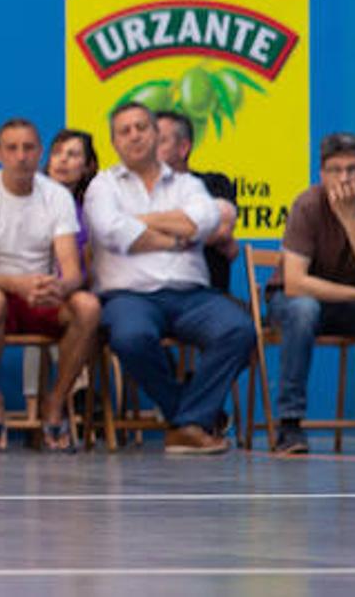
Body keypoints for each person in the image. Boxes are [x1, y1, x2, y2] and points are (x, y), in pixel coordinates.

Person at [86, 102, 252, 455]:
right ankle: (190, 419)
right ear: (114, 141)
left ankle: (185, 424)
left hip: (192, 295)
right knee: (130, 338)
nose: (134, 135)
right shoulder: (102, 186)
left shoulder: (188, 184)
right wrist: (177, 234)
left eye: (141, 127)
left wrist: (139, 219)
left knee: (239, 329)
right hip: (128, 297)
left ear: (154, 134)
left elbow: (202, 223)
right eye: (124, 130)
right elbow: (114, 232)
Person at [0, 119, 100, 452]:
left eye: (29, 148)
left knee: (88, 307)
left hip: (43, 294)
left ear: (40, 153)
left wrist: (59, 288)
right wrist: (18, 284)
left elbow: (73, 271)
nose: (21, 156)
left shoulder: (58, 197)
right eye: (12, 148)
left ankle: (56, 402)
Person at [264, 133, 355, 454]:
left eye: (352, 169)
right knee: (305, 309)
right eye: (335, 169)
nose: (344, 178)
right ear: (321, 173)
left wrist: (349, 219)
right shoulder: (307, 203)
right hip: (296, 302)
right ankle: (290, 426)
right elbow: (295, 282)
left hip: (354, 306)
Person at [156, 111, 240, 293]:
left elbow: (222, 227)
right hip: (150, 298)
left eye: (160, 141)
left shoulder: (214, 183)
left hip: (207, 296)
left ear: (183, 148)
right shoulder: (133, 189)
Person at [44, 128, 100, 257]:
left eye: (73, 154)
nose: (63, 159)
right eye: (57, 153)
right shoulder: (27, 201)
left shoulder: (90, 216)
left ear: (87, 167)